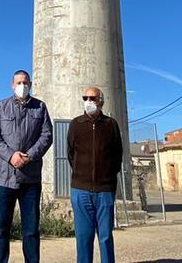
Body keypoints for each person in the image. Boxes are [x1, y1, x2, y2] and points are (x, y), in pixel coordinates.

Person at [0, 69, 52, 263]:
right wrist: (10, 156)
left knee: (31, 230)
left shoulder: (40, 107)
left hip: (30, 179)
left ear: (30, 85)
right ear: (12, 85)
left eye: (26, 83)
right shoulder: (1, 107)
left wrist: (29, 156)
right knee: (0, 229)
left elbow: (47, 135)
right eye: (19, 83)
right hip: (4, 178)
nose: (22, 86)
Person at [67, 86, 123, 263]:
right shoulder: (76, 124)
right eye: (85, 98)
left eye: (92, 98)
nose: (88, 101)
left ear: (101, 101)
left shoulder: (111, 124)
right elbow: (70, 154)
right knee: (83, 238)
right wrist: (80, 173)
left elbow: (117, 155)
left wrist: (107, 177)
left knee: (105, 237)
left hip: (105, 191)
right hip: (80, 190)